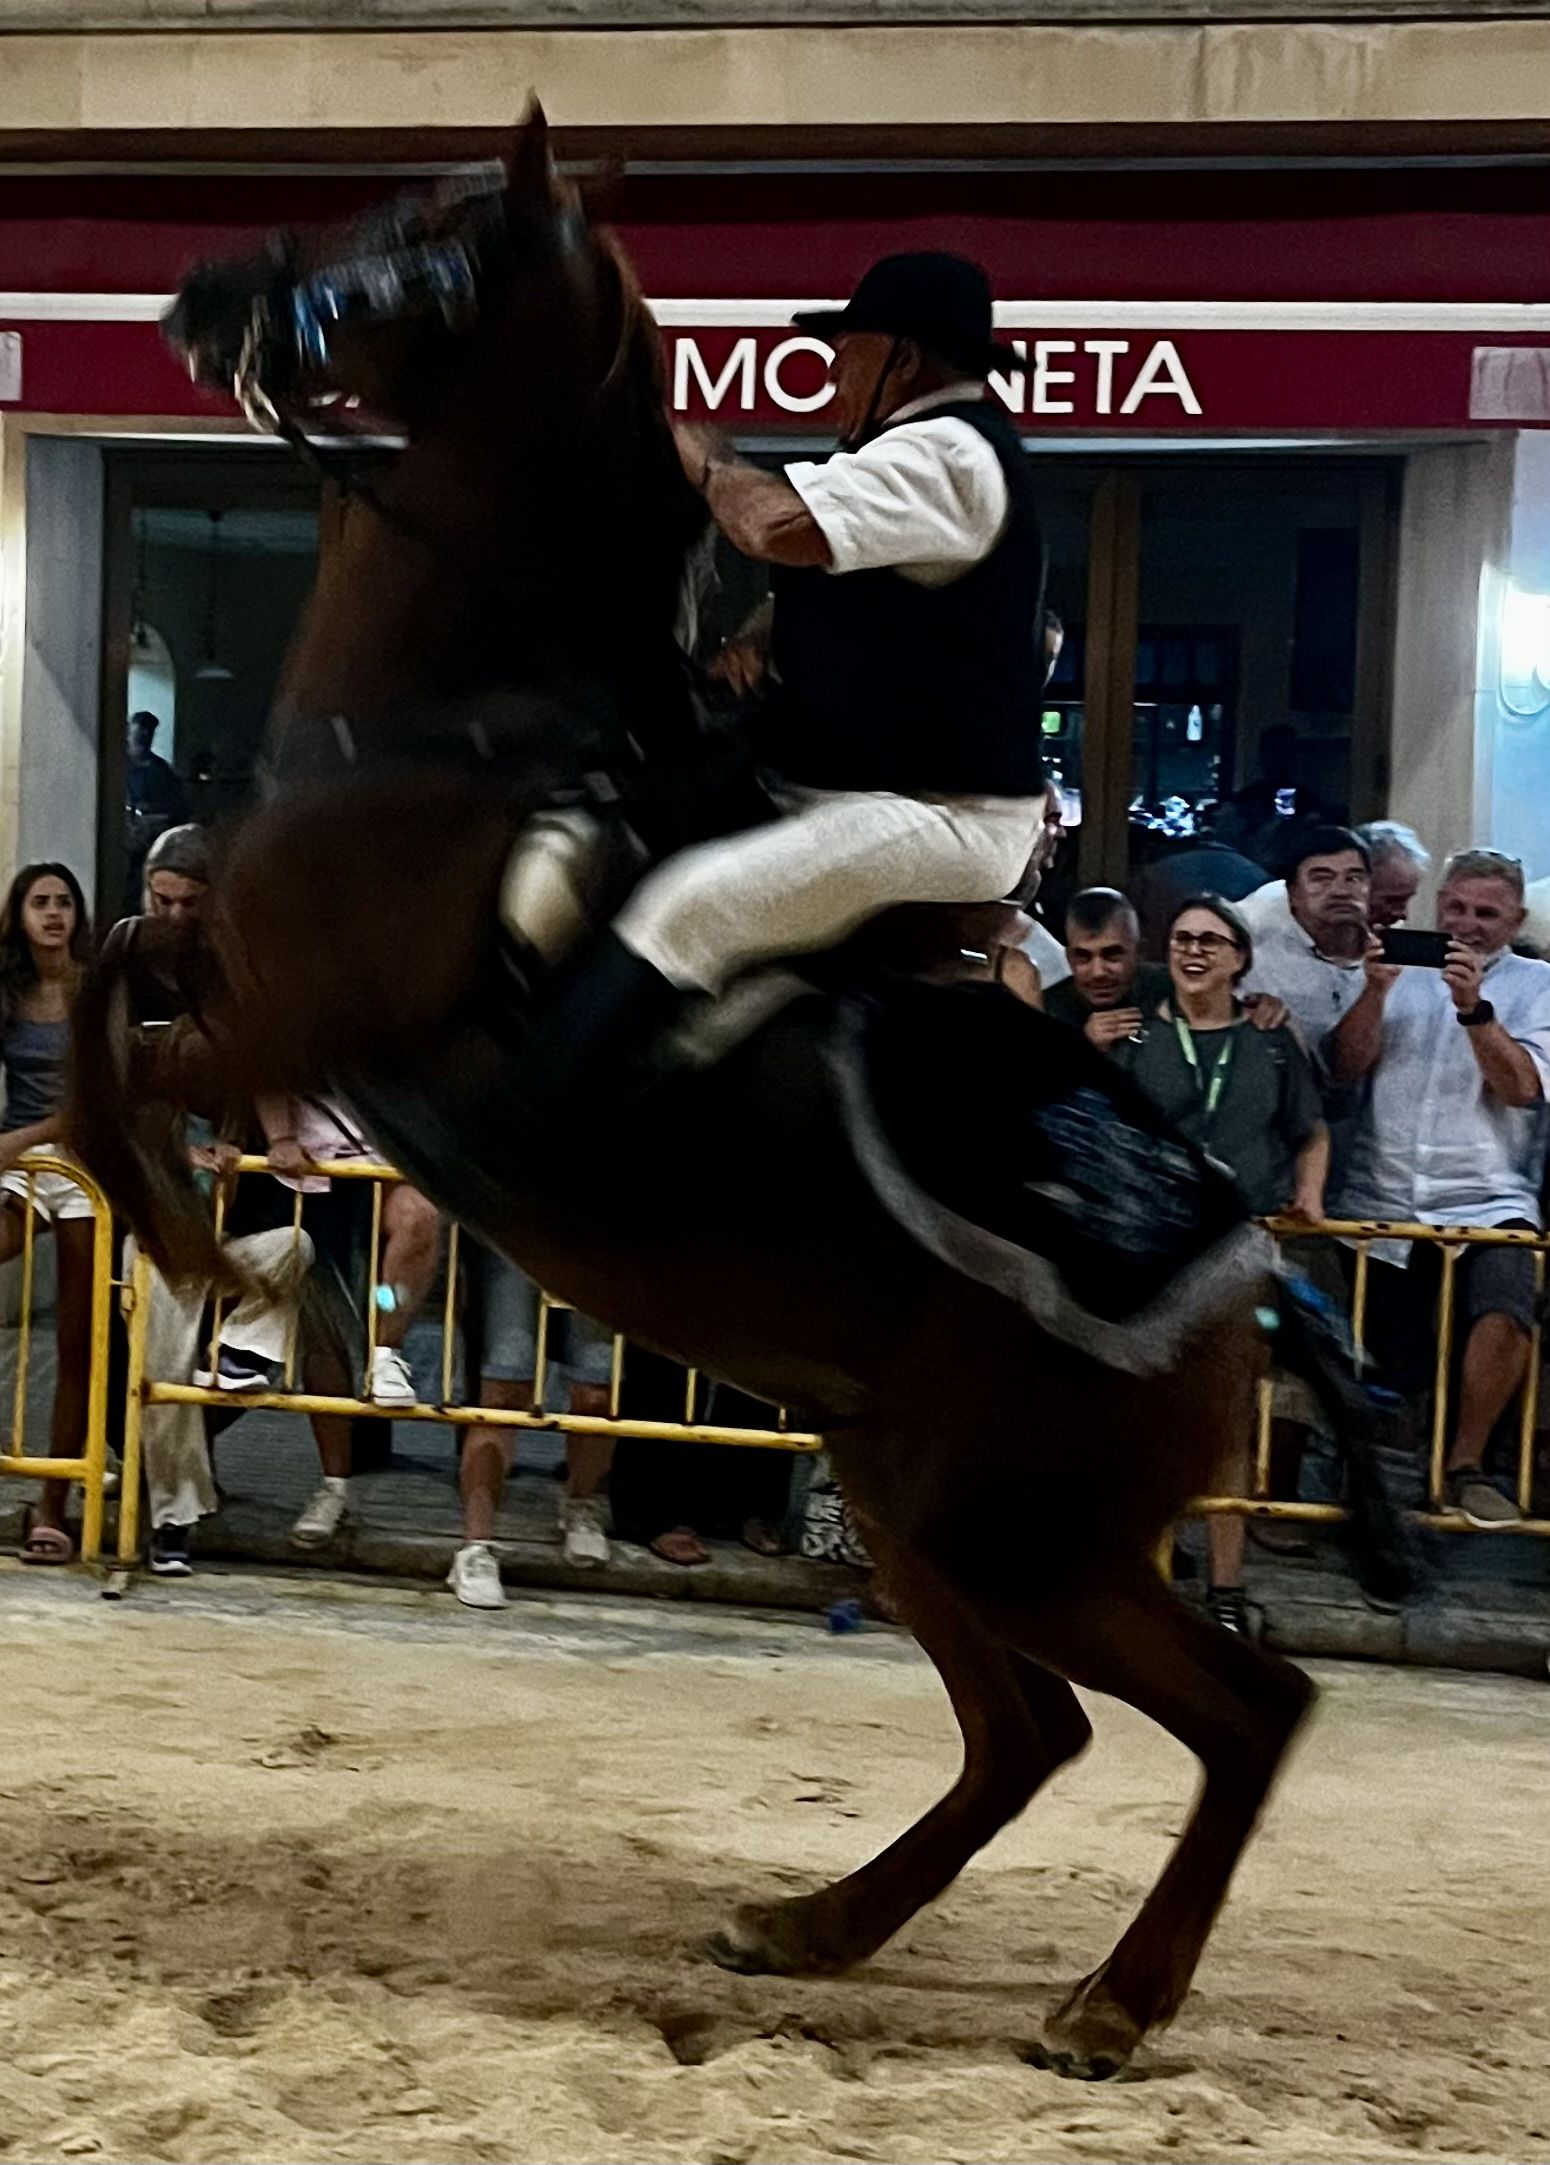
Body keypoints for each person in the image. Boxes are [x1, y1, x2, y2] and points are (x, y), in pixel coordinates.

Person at [516, 252, 1050, 1108]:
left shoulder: (946, 450)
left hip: (944, 813)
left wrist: (702, 456)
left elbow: (777, 525)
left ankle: (533, 1128)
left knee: (690, 904)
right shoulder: (913, 452)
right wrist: (765, 638)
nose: (834, 370)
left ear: (903, 360)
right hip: (841, 783)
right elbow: (874, 591)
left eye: (850, 351)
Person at [1113, 895, 1329, 1634]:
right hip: (1155, 1254)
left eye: (1210, 940)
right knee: (1142, 1419)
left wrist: (1310, 1190)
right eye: (1180, 939)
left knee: (1231, 1418)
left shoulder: (1270, 1040)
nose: (1193, 951)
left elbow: (1310, 1129)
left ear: (1241, 957)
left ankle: (1228, 1589)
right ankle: (1140, 1575)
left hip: (1242, 1252)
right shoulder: (1135, 1036)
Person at [1327, 848, 1550, 1527]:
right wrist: (1372, 992)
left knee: (1506, 1303)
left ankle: (1467, 1464)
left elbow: (1521, 1089)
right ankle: (1359, 1476)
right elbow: (1343, 1069)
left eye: (1486, 913)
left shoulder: (1538, 983)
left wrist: (1475, 1009)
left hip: (1487, 1194)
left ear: (1514, 919)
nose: (1468, 923)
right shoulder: (1392, 970)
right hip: (1381, 1195)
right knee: (1370, 1351)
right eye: (1456, 908)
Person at [0, 864, 95, 1562]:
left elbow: (100, 1099)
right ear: (21, 916)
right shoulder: (9, 992)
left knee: (75, 1340)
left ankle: (54, 1501)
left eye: (64, 902)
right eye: (41, 902)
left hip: (84, 1165)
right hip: (27, 1171)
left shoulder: (95, 991)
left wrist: (19, 1138)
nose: (54, 914)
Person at [447, 1246, 619, 1607]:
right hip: (514, 1230)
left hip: (599, 1235)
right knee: (503, 1391)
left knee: (596, 1395)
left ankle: (581, 1507)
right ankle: (475, 1546)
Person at [1239, 826, 1373, 1052]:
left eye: (1354, 878)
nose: (1341, 891)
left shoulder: (1391, 964)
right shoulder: (1258, 967)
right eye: (1321, 879)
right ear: (1292, 894)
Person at [1238, 820, 1430, 947]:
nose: (1402, 914)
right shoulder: (1258, 920)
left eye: (1405, 900)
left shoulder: (1386, 933)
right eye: (1392, 901)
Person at [124, 711, 189, 914]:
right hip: (126, 844)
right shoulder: (117, 766)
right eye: (140, 728)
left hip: (154, 842)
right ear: (129, 730)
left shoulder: (161, 770)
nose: (144, 734)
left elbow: (179, 806)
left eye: (149, 730)